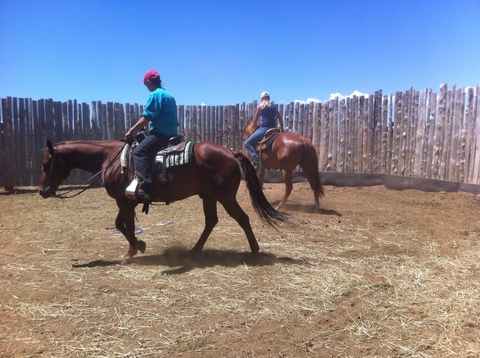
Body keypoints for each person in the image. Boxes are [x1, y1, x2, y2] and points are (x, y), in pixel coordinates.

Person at [125, 69, 179, 202]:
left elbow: (146, 117)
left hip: (160, 133)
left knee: (139, 152)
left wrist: (131, 131)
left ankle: (145, 188)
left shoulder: (155, 95)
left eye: (145, 84)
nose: (146, 86)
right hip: (173, 132)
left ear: (149, 82)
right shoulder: (169, 95)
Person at [244, 92, 284, 168]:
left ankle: (256, 161)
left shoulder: (260, 106)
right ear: (269, 98)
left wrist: (255, 129)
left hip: (264, 129)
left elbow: (255, 121)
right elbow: (280, 118)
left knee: (247, 143)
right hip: (274, 129)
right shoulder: (274, 107)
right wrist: (282, 129)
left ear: (262, 99)